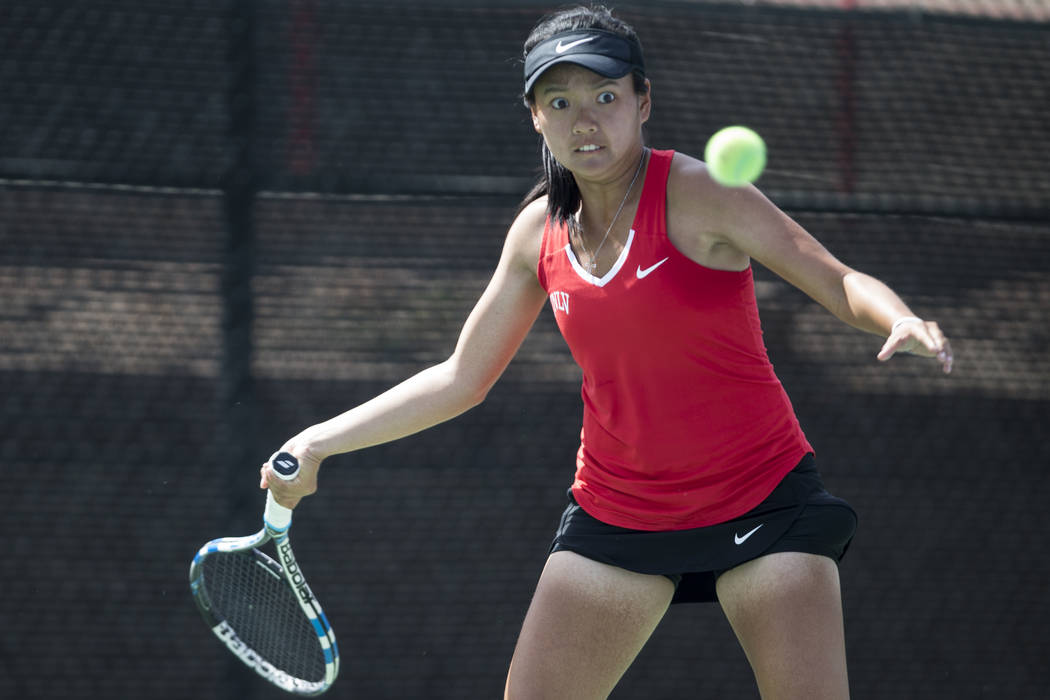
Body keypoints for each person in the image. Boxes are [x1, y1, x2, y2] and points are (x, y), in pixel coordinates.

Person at [261, 5, 953, 698]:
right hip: (618, 512)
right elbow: (460, 378)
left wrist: (899, 318)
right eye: (559, 102)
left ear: (643, 100)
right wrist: (317, 442)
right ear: (534, 116)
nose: (584, 121)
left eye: (604, 97)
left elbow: (837, 281)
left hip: (763, 500)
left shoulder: (702, 193)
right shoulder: (538, 233)